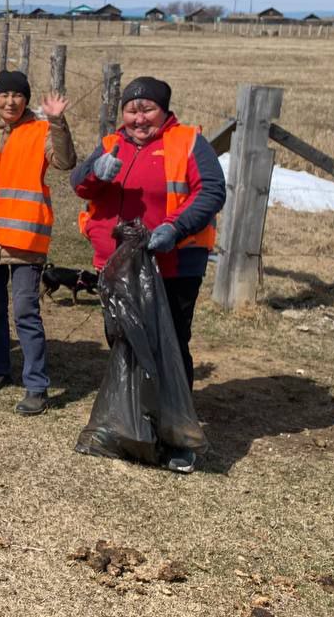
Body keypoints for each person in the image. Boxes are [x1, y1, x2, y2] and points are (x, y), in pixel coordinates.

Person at [70, 75, 226, 472]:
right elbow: (79, 186)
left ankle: (176, 437)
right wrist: (94, 173)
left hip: (173, 263)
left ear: (164, 110)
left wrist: (175, 228)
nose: (139, 118)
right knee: (124, 342)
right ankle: (132, 425)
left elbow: (211, 191)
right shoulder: (110, 143)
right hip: (118, 268)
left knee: (169, 345)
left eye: (147, 109)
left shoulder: (188, 141)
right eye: (131, 109)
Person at [0, 71, 77, 414]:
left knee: (26, 311)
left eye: (17, 95)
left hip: (26, 238)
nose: (10, 101)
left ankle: (36, 386)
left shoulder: (41, 129)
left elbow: (65, 161)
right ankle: (0, 369)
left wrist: (57, 122)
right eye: (3, 95)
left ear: (26, 99)